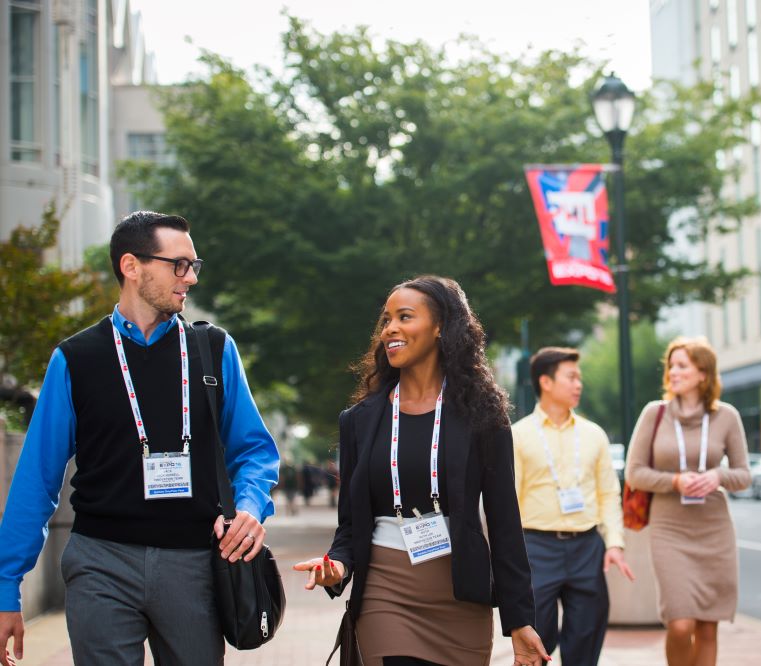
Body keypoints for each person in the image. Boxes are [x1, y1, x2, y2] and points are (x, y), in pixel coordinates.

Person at [0, 211, 280, 666]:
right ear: (132, 266)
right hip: (100, 563)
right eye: (179, 265)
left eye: (194, 266)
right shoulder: (75, 359)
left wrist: (249, 507)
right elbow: (37, 478)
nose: (189, 278)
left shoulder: (213, 350)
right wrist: (6, 588)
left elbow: (254, 451)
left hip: (193, 563)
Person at [293, 275, 549, 666]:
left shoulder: (483, 419)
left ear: (440, 326)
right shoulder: (359, 420)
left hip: (461, 600)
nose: (390, 329)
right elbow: (350, 525)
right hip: (386, 593)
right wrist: (338, 566)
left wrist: (520, 621)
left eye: (405, 317)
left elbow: (504, 524)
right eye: (386, 320)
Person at [624, 336, 750, 666]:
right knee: (680, 624)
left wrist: (717, 477)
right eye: (671, 365)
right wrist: (675, 481)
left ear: (703, 374)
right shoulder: (655, 413)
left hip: (714, 528)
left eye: (682, 365)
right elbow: (634, 473)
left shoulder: (726, 417)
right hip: (670, 529)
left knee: (708, 627)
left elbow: (743, 475)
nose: (673, 372)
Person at [511, 347, 634, 665]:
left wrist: (615, 543)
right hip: (536, 548)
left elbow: (609, 493)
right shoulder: (518, 435)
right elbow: (508, 503)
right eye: (571, 377)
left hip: (587, 548)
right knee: (535, 645)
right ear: (546, 382)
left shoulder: (594, 435)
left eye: (579, 378)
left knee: (585, 643)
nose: (578, 384)